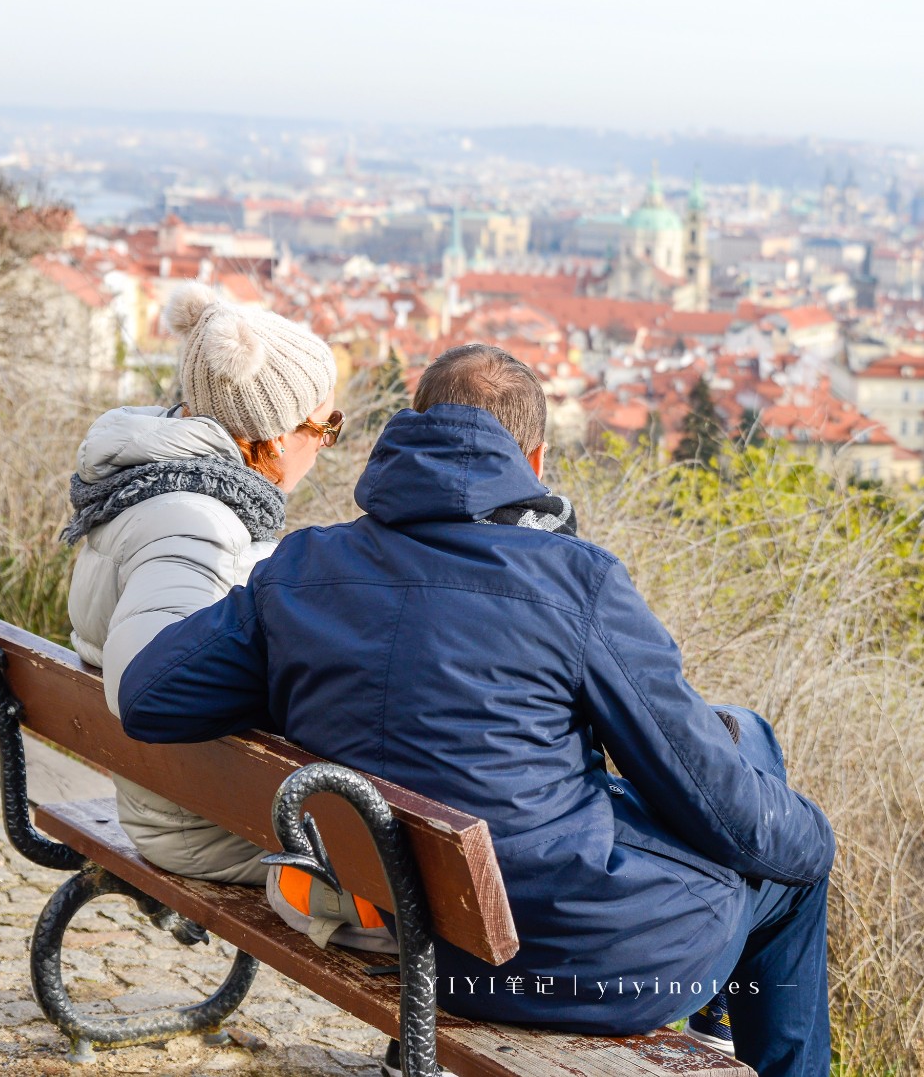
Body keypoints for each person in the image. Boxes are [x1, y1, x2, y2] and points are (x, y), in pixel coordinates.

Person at [114, 343, 834, 1077]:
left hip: (398, 925)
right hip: (560, 962)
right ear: (536, 460)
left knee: (746, 739)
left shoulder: (304, 567)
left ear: (410, 430)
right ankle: (723, 1029)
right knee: (791, 856)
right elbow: (711, 796)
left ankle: (717, 1025)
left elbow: (148, 696)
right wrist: (817, 838)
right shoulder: (576, 582)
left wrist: (309, 668)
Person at [65, 280, 339, 885]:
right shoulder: (197, 525)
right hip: (203, 822)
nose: (324, 447)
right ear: (265, 436)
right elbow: (144, 680)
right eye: (321, 428)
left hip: (183, 792)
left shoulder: (158, 486)